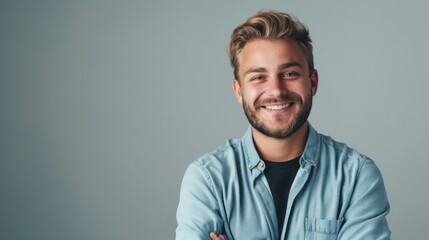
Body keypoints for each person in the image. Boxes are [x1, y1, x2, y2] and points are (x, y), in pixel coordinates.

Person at [176, 9, 391, 240]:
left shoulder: (356, 177)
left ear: (313, 82)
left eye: (289, 73)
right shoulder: (207, 180)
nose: (277, 91)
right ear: (239, 91)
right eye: (258, 77)